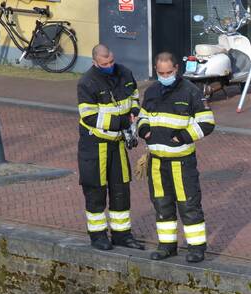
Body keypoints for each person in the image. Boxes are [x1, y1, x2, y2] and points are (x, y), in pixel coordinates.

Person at [136, 52, 216, 263]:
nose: (165, 76)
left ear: (176, 70)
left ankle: (197, 248)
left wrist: (182, 136)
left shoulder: (191, 92)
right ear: (156, 70)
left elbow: (207, 123)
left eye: (168, 72)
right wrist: (143, 130)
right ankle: (167, 246)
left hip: (181, 162)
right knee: (162, 204)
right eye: (161, 73)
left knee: (188, 204)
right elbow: (142, 117)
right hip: (156, 162)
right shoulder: (152, 91)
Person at [76, 44, 145, 251]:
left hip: (117, 143)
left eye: (111, 61)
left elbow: (134, 96)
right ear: (95, 62)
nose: (109, 66)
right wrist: (121, 122)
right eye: (104, 64)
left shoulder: (124, 73)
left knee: (121, 190)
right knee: (95, 191)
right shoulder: (87, 82)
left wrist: (134, 110)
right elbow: (88, 116)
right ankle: (97, 236)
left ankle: (122, 235)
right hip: (95, 145)